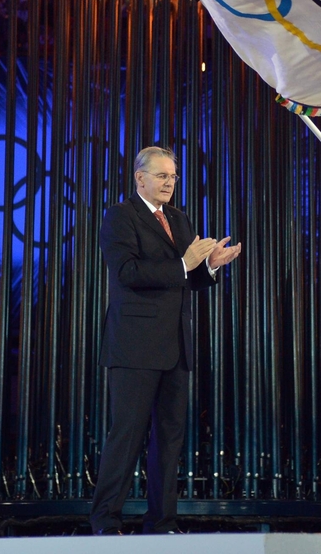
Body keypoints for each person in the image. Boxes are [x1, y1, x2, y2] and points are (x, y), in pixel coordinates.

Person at [89, 146, 241, 535]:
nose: (170, 182)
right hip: (134, 344)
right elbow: (128, 273)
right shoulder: (120, 216)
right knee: (126, 435)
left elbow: (189, 278)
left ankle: (162, 521)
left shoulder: (178, 217)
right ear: (140, 178)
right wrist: (186, 264)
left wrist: (210, 265)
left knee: (169, 439)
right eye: (162, 176)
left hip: (176, 345)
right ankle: (106, 520)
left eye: (173, 176)